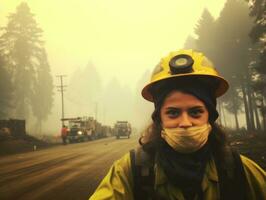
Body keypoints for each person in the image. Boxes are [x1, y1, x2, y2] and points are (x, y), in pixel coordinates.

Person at [89, 49, 266, 200]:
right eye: (173, 113)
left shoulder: (236, 169)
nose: (185, 123)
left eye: (195, 112)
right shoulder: (131, 171)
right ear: (159, 119)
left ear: (210, 117)